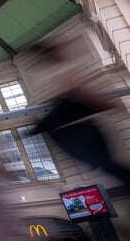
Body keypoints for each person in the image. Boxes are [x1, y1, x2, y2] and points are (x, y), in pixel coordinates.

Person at [30, 40, 130, 190]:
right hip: (74, 131)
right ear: (51, 52)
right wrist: (107, 105)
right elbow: (78, 93)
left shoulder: (49, 73)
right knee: (109, 164)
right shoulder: (60, 70)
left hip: (71, 131)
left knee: (108, 164)